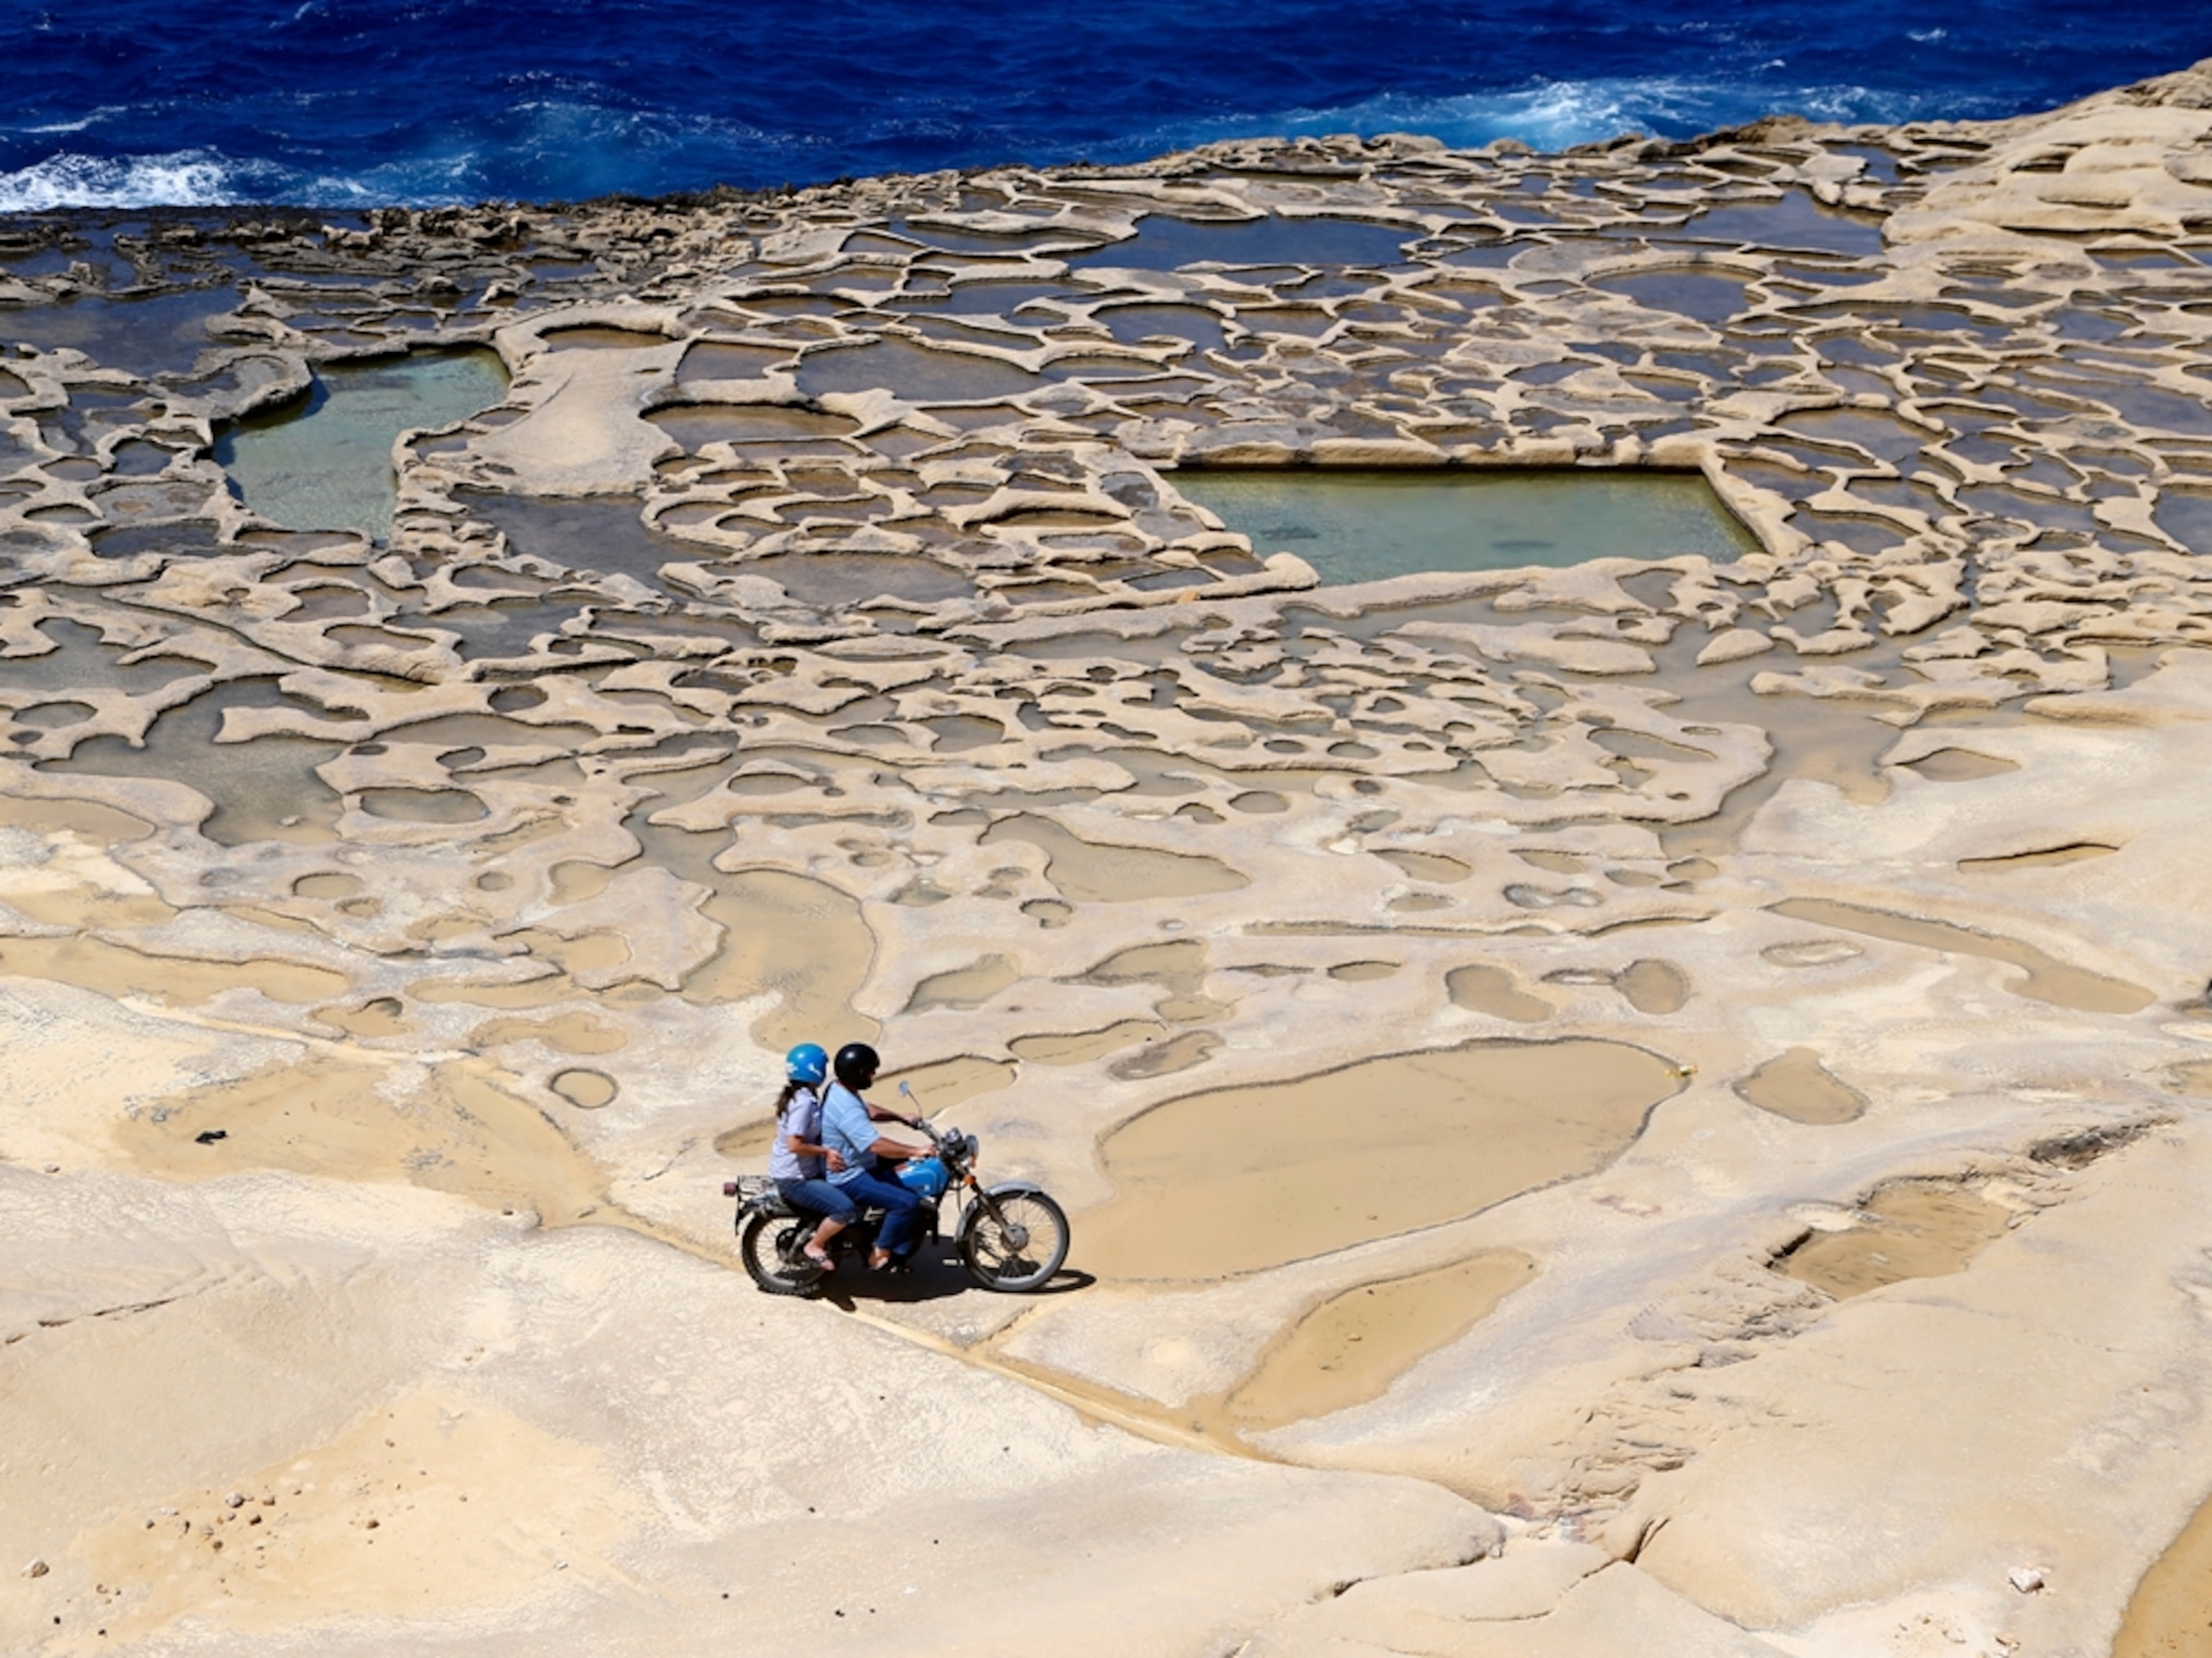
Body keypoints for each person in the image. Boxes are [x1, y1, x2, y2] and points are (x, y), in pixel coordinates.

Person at [819, 1041, 930, 1271]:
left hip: (858, 1162)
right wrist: (918, 1150)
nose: (874, 1074)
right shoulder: (846, 1109)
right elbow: (876, 1146)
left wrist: (900, 1117)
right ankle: (881, 1251)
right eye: (871, 1071)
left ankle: (897, 1238)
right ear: (858, 1073)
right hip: (849, 1175)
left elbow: (868, 1110)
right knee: (907, 1202)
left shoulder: (840, 1089)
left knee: (907, 1169)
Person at [765, 1042, 855, 1271]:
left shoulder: (804, 1095)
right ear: (816, 1070)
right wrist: (826, 1152)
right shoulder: (803, 1103)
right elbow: (795, 1144)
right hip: (795, 1179)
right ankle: (814, 1246)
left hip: (802, 1172)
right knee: (844, 1208)